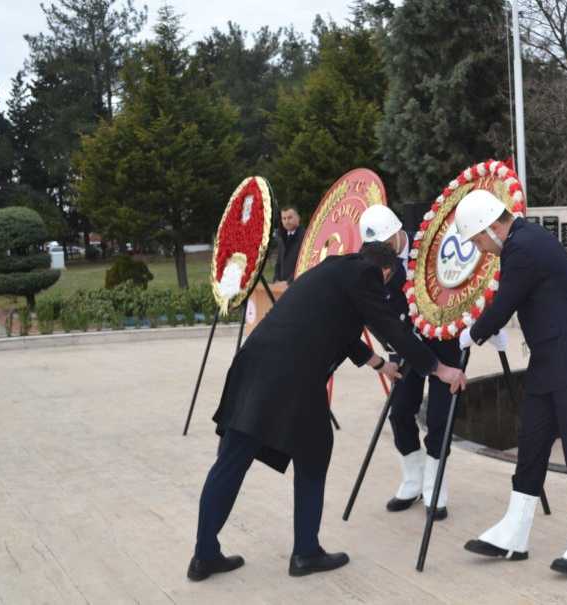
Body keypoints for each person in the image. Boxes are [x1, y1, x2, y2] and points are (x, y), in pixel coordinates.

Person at [189, 241, 467, 582]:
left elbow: (340, 331)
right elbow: (391, 328)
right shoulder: (366, 275)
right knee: (313, 454)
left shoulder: (331, 270)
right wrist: (440, 369)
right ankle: (306, 552)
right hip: (292, 378)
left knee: (231, 459)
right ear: (385, 271)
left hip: (253, 366)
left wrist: (379, 363)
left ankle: (204, 555)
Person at [454, 190, 567, 576]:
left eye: (477, 240)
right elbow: (523, 298)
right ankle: (514, 532)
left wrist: (474, 333)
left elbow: (506, 300)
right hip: (550, 361)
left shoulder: (523, 246)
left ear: (492, 228)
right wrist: (491, 329)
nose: (480, 249)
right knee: (531, 443)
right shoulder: (521, 242)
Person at [358, 205, 466, 520]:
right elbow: (372, 313)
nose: (380, 252)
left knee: (439, 417)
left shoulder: (429, 246)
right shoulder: (370, 263)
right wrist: (390, 348)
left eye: (384, 244)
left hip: (444, 341)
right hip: (404, 345)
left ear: (397, 232)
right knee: (401, 412)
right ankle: (413, 480)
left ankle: (434, 484)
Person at [273, 206, 304, 285]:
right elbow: (278, 263)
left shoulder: (305, 237)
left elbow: (304, 264)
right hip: (280, 287)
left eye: (290, 218)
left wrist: (288, 282)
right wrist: (276, 280)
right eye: (284, 218)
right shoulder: (282, 238)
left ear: (298, 218)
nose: (287, 221)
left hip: (297, 285)